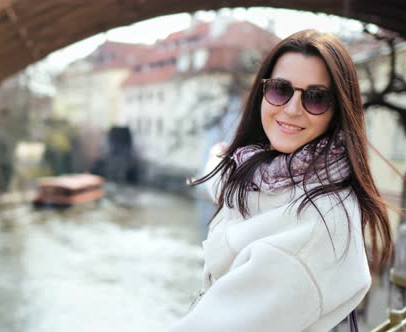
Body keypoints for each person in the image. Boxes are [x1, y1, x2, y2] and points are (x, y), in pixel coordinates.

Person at [167, 29, 392, 332]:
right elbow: (222, 180)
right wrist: (220, 159)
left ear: (337, 111)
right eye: (280, 89)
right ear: (263, 93)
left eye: (316, 97)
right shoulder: (255, 174)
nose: (292, 109)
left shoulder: (318, 222)